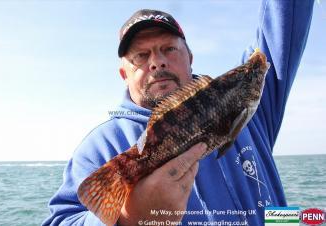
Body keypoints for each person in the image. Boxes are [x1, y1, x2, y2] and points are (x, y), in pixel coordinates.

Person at [43, 1, 314, 225]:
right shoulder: (101, 146)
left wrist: (294, 218)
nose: (157, 61)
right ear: (123, 74)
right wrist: (130, 219)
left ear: (190, 57)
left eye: (169, 49)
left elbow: (286, 19)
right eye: (141, 55)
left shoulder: (245, 100)